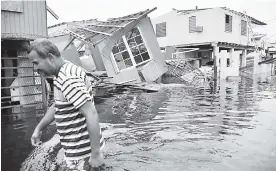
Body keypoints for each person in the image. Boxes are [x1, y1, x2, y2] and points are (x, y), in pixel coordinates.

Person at [28, 39, 105, 170]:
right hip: (78, 151)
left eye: (36, 63)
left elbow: (91, 114)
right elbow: (57, 105)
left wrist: (96, 154)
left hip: (84, 154)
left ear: (50, 58)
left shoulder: (67, 79)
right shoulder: (62, 71)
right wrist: (39, 128)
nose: (36, 69)